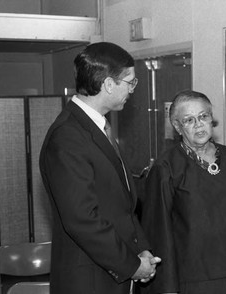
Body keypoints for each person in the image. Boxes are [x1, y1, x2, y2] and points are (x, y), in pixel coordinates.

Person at [39, 42, 161, 294]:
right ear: (108, 84)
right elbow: (82, 220)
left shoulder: (96, 127)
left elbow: (121, 204)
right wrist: (130, 265)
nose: (132, 90)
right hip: (90, 280)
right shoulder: (68, 136)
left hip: (109, 273)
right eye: (130, 82)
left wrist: (140, 248)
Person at [140, 90, 226, 294]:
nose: (198, 124)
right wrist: (167, 287)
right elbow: (158, 231)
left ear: (211, 119)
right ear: (178, 127)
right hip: (197, 278)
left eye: (203, 116)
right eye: (189, 120)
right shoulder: (166, 167)